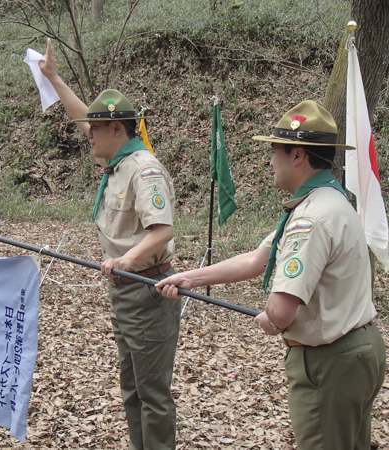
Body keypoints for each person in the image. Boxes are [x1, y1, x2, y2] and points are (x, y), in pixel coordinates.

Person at [156, 100, 386, 450]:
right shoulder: (328, 200)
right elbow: (256, 259)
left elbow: (280, 311)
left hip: (331, 362)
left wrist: (271, 320)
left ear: (298, 156)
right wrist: (190, 278)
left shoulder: (310, 219)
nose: (269, 160)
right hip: (359, 349)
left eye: (275, 151)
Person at [39, 39, 181, 450]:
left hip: (148, 291)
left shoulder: (144, 170)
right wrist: (54, 78)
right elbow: (84, 116)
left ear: (117, 130)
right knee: (131, 387)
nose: (88, 134)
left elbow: (162, 230)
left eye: (96, 129)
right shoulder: (117, 160)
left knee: (152, 394)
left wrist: (126, 259)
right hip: (123, 291)